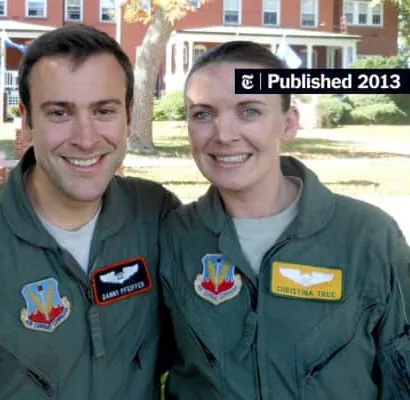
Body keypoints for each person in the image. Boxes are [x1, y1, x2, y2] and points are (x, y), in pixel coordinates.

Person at [0, 24, 180, 399]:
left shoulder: (158, 217)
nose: (86, 139)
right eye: (59, 113)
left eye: (104, 110)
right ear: (26, 119)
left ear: (128, 115)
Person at [159, 41, 410, 399]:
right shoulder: (173, 235)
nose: (224, 134)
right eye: (202, 114)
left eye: (249, 111)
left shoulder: (368, 235)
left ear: (288, 123)